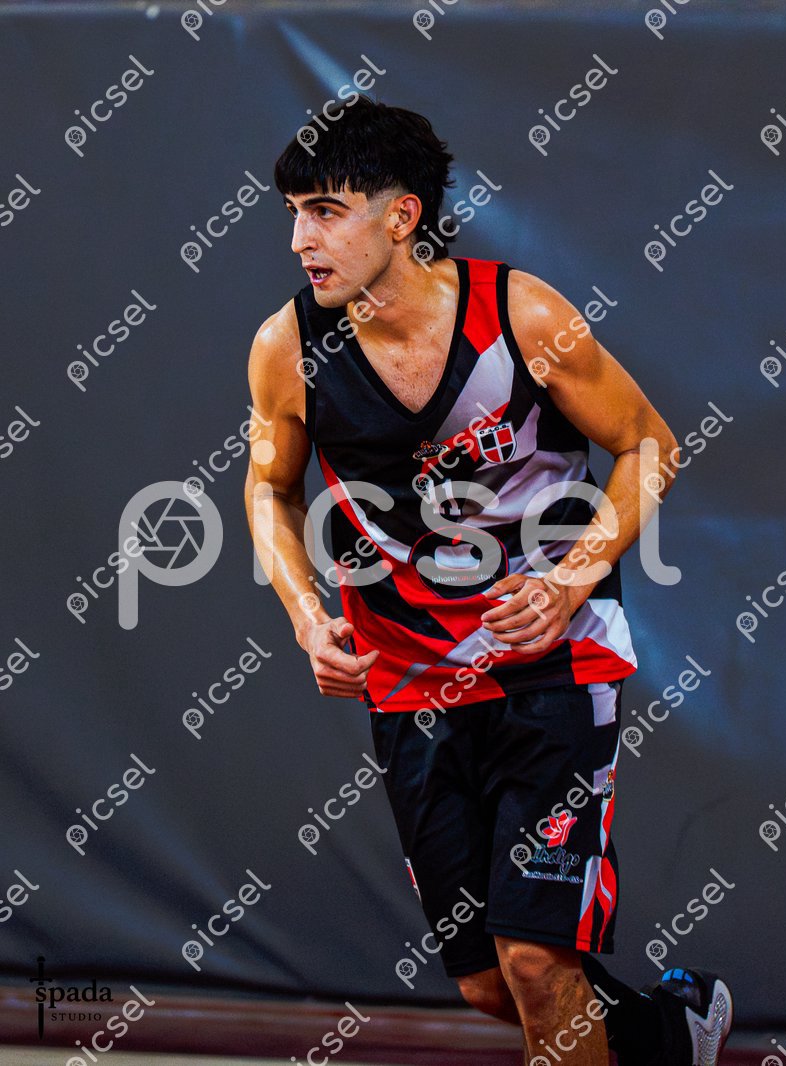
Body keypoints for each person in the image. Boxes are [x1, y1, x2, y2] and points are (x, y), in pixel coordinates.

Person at [244, 95, 732, 1066]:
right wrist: (304, 615)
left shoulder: (521, 315)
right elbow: (267, 486)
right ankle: (668, 1034)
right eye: (294, 213)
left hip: (552, 663)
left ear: (400, 216)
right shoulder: (288, 348)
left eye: (325, 211)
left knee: (538, 962)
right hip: (410, 680)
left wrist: (570, 580)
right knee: (487, 981)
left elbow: (649, 444)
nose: (301, 239)